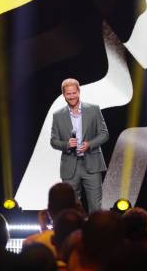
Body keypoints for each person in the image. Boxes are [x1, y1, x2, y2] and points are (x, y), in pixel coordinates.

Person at [50, 78, 109, 213]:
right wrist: (66, 144)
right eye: (68, 94)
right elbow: (53, 141)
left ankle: (95, 233)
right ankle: (73, 232)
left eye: (73, 93)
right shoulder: (58, 115)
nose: (71, 97)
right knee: (70, 206)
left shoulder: (93, 110)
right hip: (70, 166)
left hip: (92, 163)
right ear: (63, 95)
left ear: (79, 91)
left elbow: (104, 134)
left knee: (95, 205)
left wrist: (89, 144)